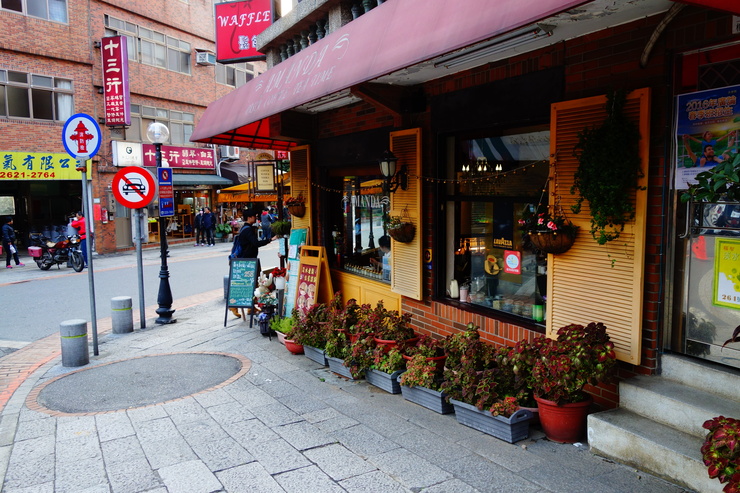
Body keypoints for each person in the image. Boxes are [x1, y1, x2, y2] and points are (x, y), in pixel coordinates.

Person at [229, 208, 277, 318]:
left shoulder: (245, 228)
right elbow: (255, 243)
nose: (256, 218)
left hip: (250, 260)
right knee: (246, 284)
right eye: (254, 216)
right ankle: (234, 306)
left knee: (254, 283)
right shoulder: (247, 230)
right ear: (250, 217)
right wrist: (270, 240)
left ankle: (251, 307)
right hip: (247, 261)